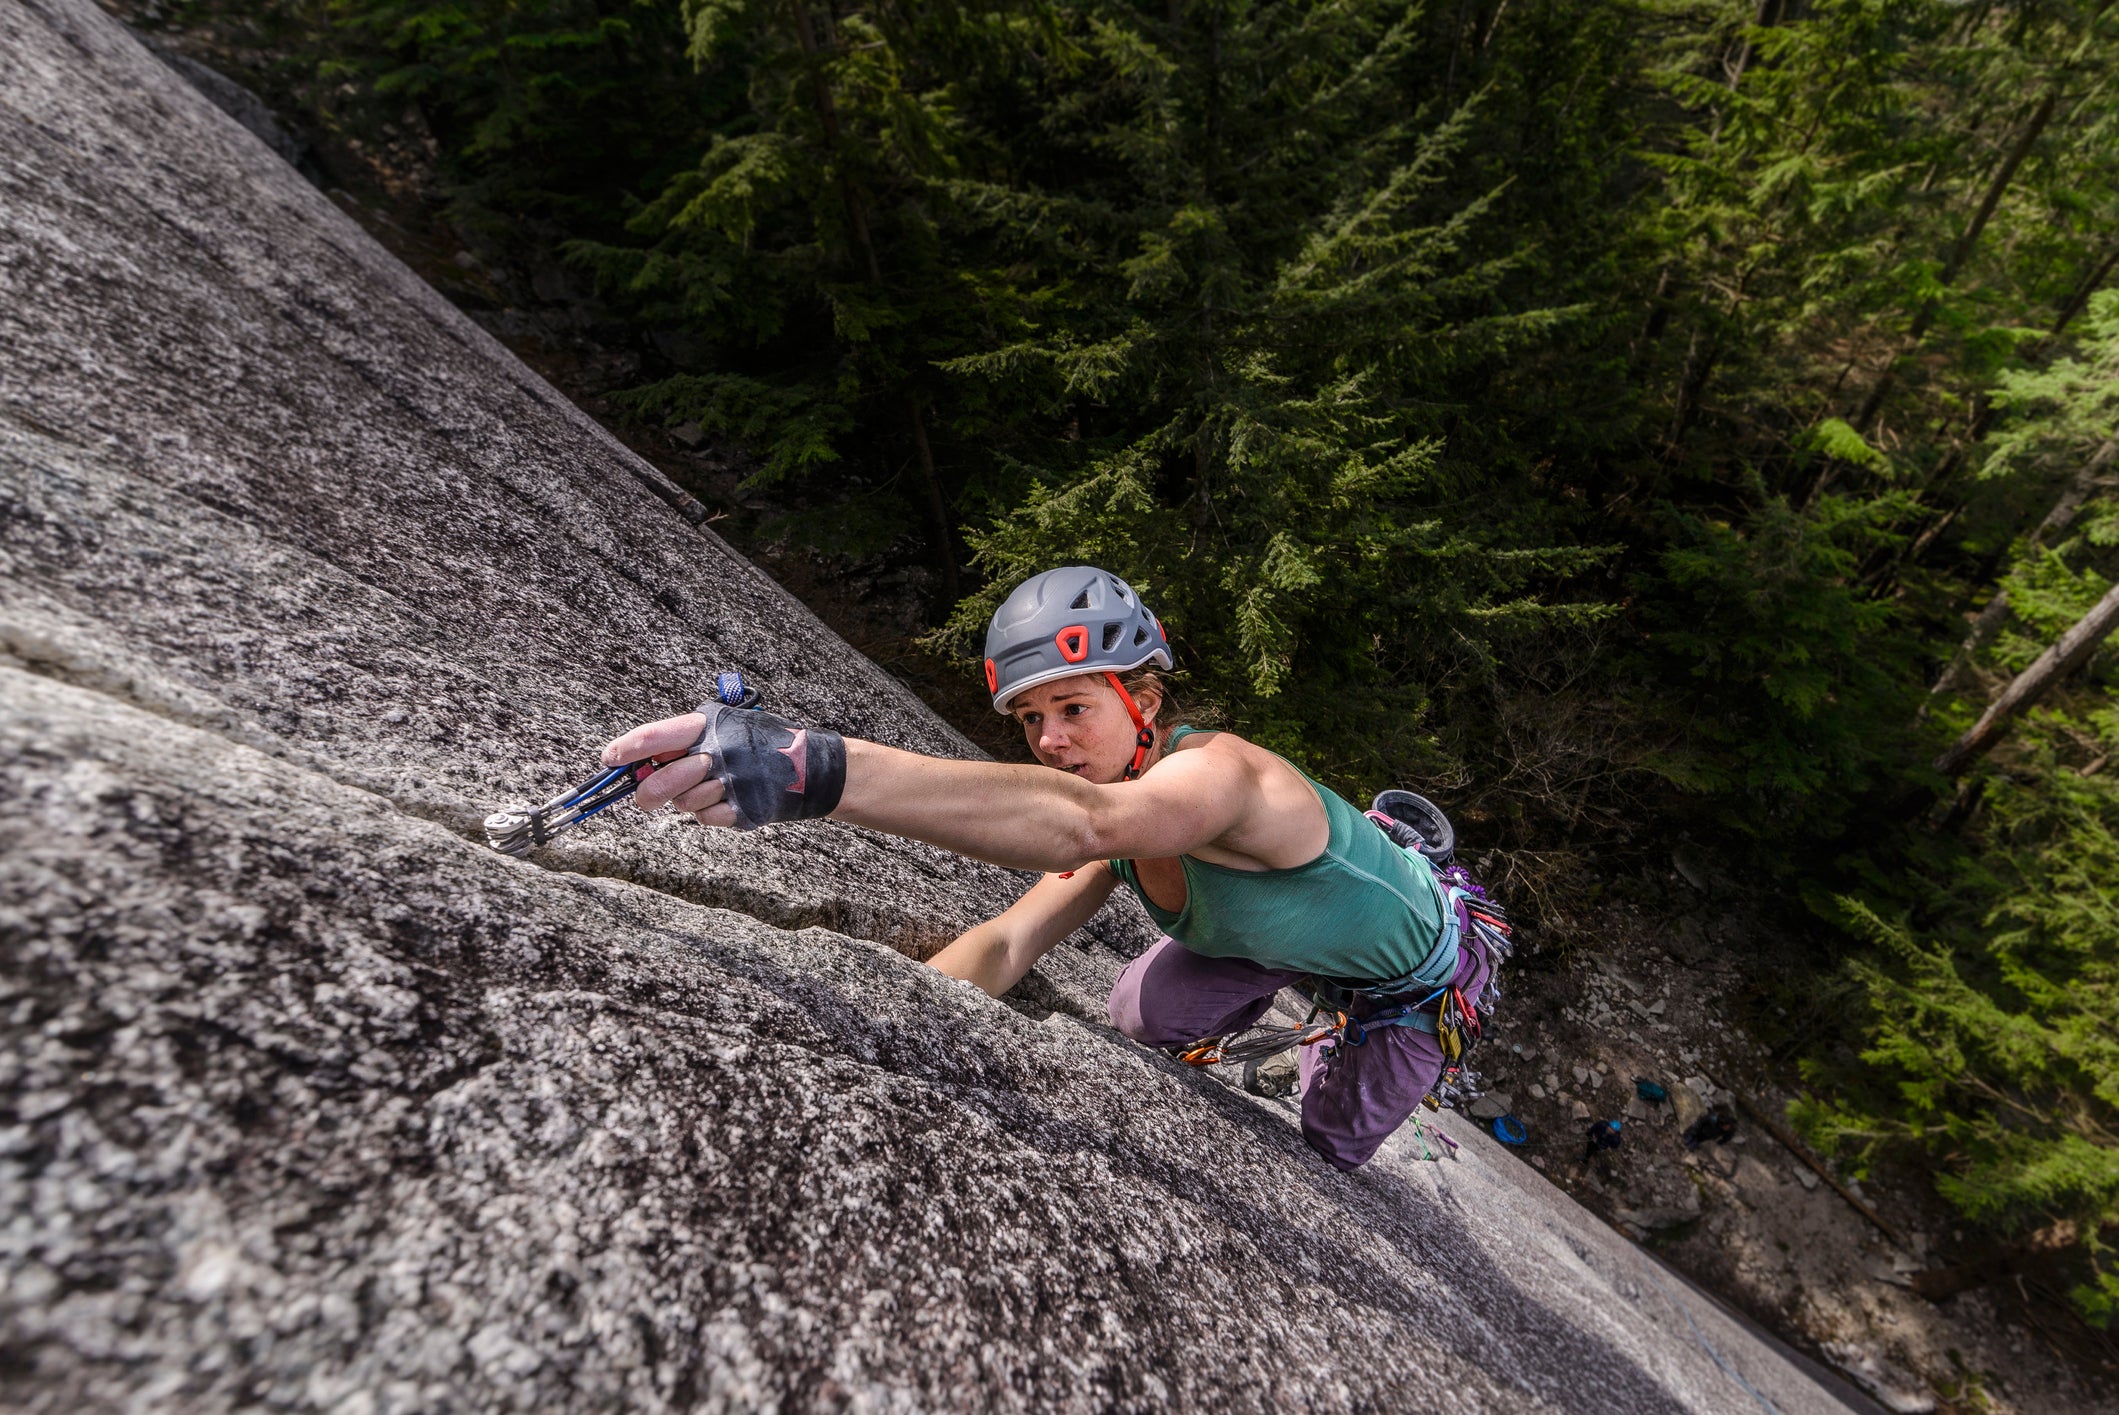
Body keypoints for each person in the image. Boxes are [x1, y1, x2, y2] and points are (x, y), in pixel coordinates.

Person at [600, 566, 1497, 1171]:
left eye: (1073, 707)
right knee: (1137, 1012)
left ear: (1142, 699)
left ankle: (1332, 1030)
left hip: (1413, 976)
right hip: (1268, 934)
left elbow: (1084, 824)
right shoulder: (1120, 811)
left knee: (1332, 1139)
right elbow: (1005, 939)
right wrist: (875, 1037)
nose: (1051, 741)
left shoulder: (1223, 776)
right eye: (1030, 722)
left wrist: (816, 767)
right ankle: (1274, 969)